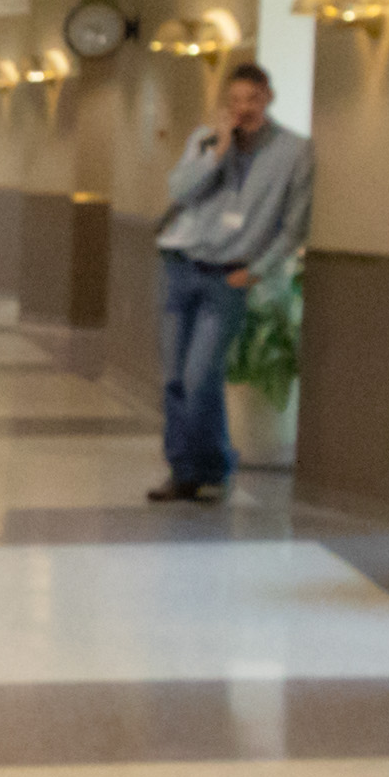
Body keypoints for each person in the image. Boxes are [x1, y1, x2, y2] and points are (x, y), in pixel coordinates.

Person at [146, 62, 309, 503]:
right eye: (235, 101)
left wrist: (257, 269)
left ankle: (213, 465)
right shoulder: (205, 139)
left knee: (200, 375)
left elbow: (293, 227)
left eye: (252, 100)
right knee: (174, 376)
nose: (243, 109)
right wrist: (217, 152)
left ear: (268, 98)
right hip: (180, 265)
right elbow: (179, 189)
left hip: (227, 276)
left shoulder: (294, 152)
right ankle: (185, 471)